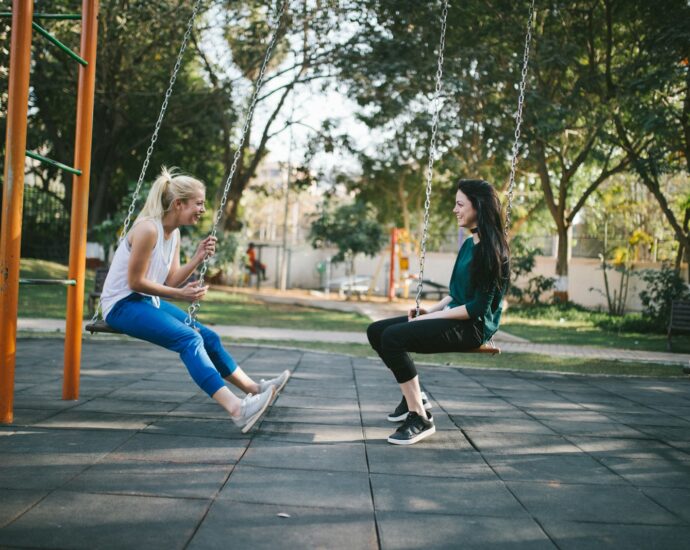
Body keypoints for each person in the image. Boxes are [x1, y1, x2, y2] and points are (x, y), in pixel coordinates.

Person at [100, 167, 290, 433]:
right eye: (198, 203)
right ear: (179, 204)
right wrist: (180, 295)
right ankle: (237, 409)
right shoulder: (147, 229)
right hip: (122, 305)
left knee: (208, 337)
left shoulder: (174, 233)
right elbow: (135, 282)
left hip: (144, 302)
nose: (202, 209)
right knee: (189, 339)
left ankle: (254, 389)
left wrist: (198, 257)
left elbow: (172, 280)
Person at [367, 179, 510, 445]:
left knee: (393, 338)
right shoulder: (469, 244)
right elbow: (456, 294)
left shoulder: (492, 251)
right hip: (456, 314)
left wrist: (433, 317)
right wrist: (429, 310)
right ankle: (415, 396)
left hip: (474, 326)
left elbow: (476, 308)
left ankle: (419, 417)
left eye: (460, 204)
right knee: (377, 331)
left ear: (478, 206)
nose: (455, 210)